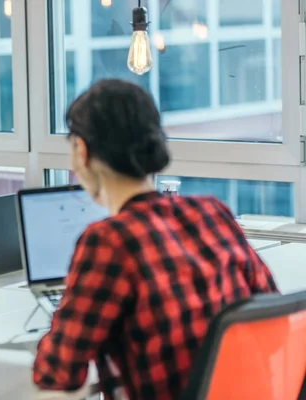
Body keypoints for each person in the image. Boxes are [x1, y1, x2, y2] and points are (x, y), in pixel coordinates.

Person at [32, 79, 278, 400]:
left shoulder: (108, 242)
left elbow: (57, 371)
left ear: (82, 150)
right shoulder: (212, 212)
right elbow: (273, 313)